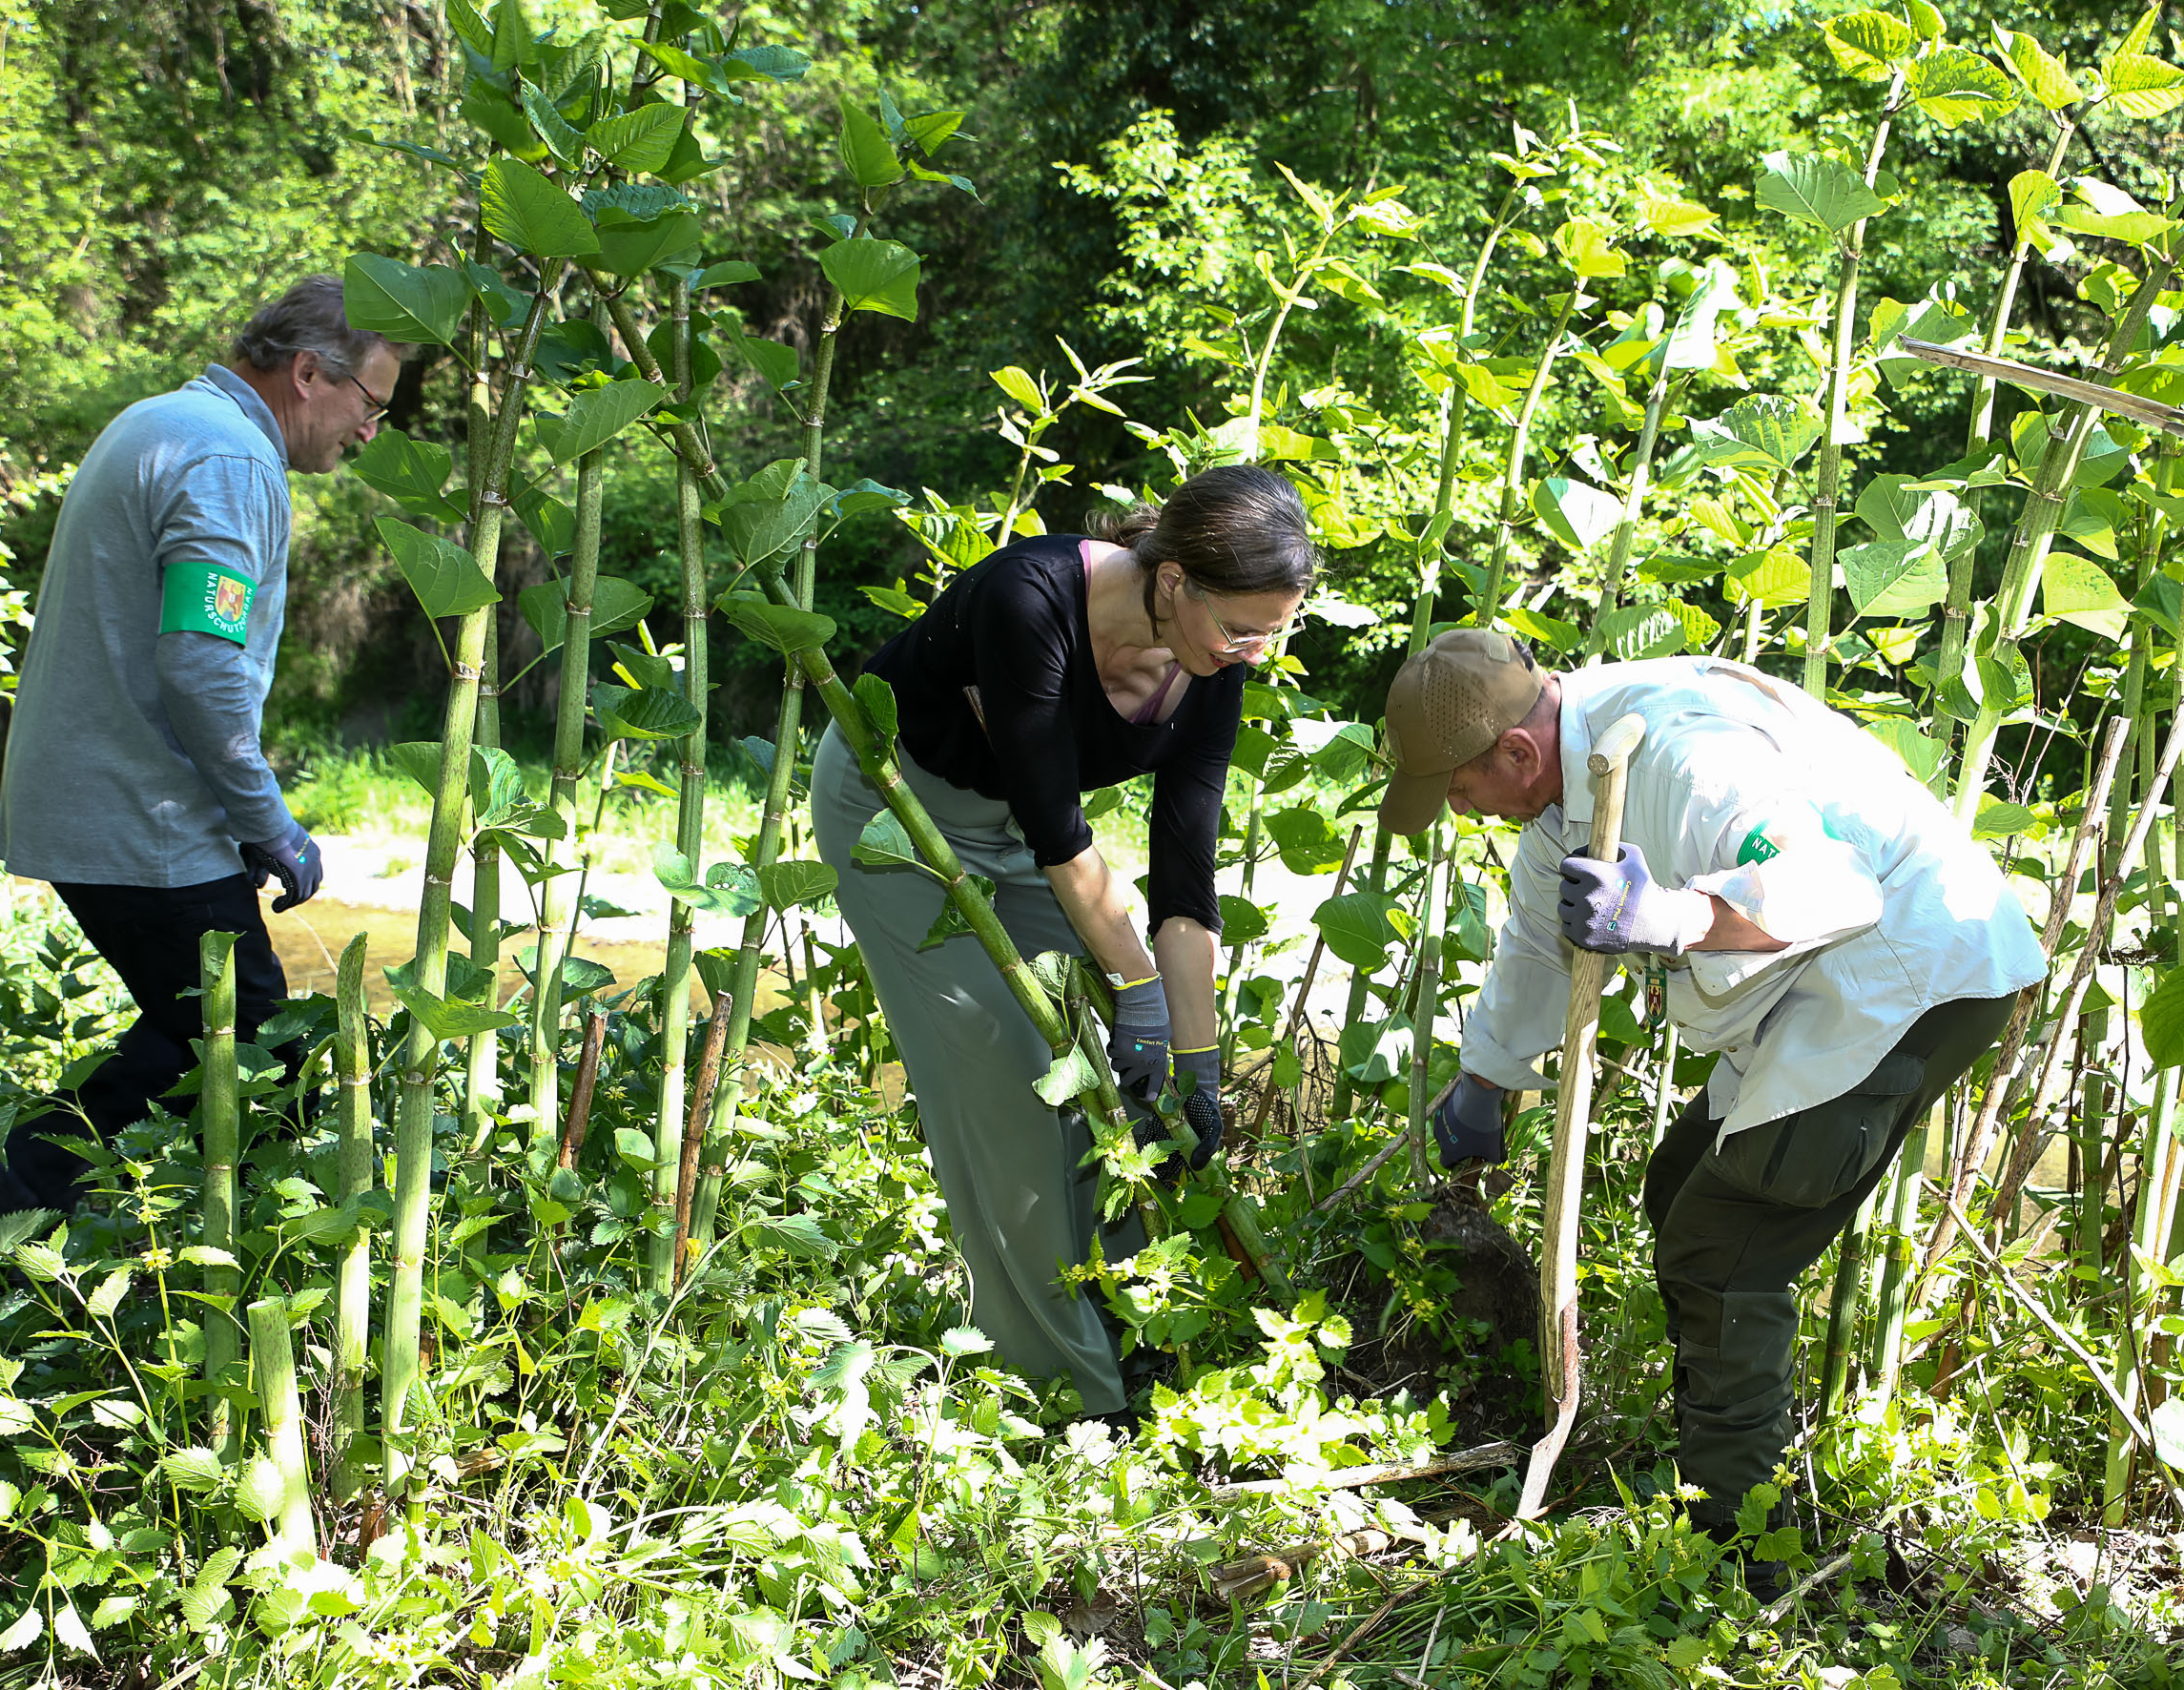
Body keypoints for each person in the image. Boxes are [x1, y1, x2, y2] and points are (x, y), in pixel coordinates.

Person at [1379, 633, 2046, 1570]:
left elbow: (1832, 886)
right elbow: (1539, 941)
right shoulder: (1566, 784)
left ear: (1515, 755)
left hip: (1905, 974)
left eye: (1458, 790)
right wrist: (1484, 1080)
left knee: (1725, 1244)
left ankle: (1741, 1547)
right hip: (1813, 991)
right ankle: (1722, 1461)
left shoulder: (1683, 753)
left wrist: (1673, 917)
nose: (1462, 809)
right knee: (1682, 1182)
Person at [812, 465, 1318, 1421]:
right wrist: (1137, 992)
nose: (1253, 653)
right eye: (1241, 629)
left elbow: (1183, 882)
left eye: (1272, 633)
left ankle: (1122, 1325)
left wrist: (1195, 1058)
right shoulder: (1028, 598)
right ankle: (1062, 1390)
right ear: (1173, 582)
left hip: (1010, 838)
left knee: (1102, 1084)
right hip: (891, 809)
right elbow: (1062, 832)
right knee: (1006, 1082)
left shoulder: (1209, 676)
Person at [0, 276, 400, 1216]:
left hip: (99, 804)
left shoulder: (162, 421)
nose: (371, 430)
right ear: (308, 373)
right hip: (147, 821)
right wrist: (273, 825)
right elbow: (201, 665)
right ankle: (12, 1208)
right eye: (370, 402)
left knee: (195, 1036)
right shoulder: (227, 462)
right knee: (249, 1045)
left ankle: (15, 1210)